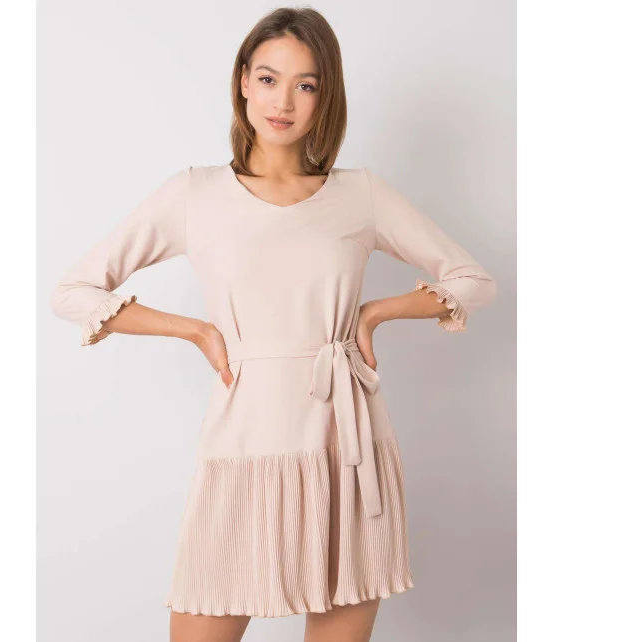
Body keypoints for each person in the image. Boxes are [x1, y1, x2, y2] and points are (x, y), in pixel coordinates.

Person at [49, 7, 496, 642]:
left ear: (326, 95)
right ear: (242, 82)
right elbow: (73, 291)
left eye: (305, 84)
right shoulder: (195, 193)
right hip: (244, 444)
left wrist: (377, 311)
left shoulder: (361, 194)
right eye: (268, 79)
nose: (283, 101)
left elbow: (474, 280)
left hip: (346, 450)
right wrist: (194, 330)